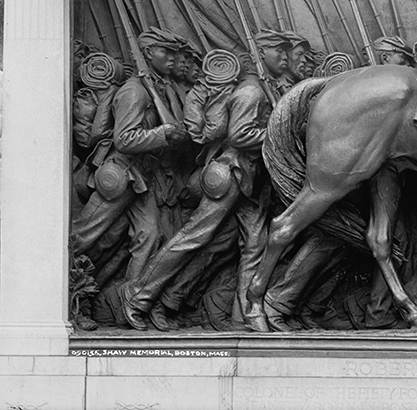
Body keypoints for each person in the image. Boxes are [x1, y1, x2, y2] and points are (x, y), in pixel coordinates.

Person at [121, 30, 292, 330]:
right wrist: (281, 135)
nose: (286, 57)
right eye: (280, 51)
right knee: (192, 237)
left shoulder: (262, 90)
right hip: (230, 173)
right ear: (259, 55)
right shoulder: (250, 92)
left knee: (254, 244)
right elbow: (239, 135)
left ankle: (244, 315)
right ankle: (137, 295)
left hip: (251, 180)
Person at [72, 28, 189, 283]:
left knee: (150, 235)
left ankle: (130, 298)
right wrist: (163, 133)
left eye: (173, 52)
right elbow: (124, 139)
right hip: (120, 173)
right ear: (147, 53)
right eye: (165, 51)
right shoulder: (135, 92)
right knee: (84, 236)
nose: (171, 57)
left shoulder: (158, 89)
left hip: (141, 177)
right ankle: (48, 291)